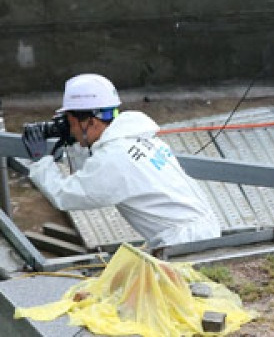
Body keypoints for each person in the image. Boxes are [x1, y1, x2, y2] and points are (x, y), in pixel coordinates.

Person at [23, 74, 221, 248]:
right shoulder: (133, 137)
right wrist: (74, 143)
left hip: (184, 242)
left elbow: (65, 196)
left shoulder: (115, 158)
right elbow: (91, 170)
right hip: (200, 230)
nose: (70, 129)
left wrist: (40, 161)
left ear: (90, 121)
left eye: (71, 123)